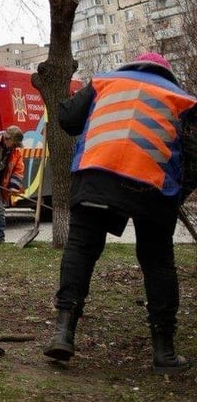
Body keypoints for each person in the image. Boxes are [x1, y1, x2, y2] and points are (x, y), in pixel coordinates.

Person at [44, 52, 197, 374]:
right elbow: (193, 158)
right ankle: (164, 352)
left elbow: (68, 121)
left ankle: (63, 333)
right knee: (157, 261)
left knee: (81, 250)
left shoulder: (104, 82)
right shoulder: (182, 99)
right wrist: (176, 195)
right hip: (152, 186)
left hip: (96, 175)